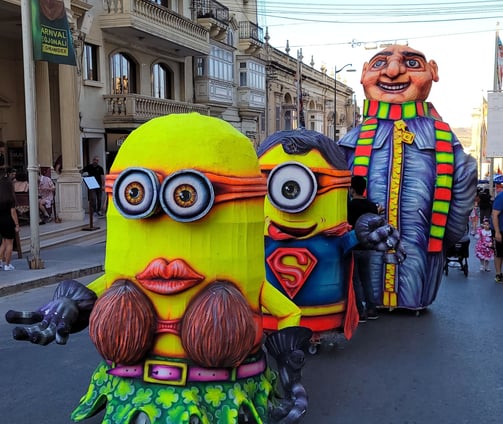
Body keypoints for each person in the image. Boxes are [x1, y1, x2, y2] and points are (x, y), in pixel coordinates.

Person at [338, 44, 477, 310]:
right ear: (364, 73)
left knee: (415, 276)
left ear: (433, 71)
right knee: (368, 276)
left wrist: (449, 233)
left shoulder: (442, 137)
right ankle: (369, 302)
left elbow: (464, 179)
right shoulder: (354, 137)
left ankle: (411, 301)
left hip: (422, 248)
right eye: (379, 64)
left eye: (412, 64)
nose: (392, 71)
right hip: (366, 245)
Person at [347, 175, 381, 322]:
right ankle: (372, 309)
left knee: (355, 281)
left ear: (352, 189)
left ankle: (360, 312)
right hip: (367, 246)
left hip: (353, 246)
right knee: (366, 278)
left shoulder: (349, 206)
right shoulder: (371, 206)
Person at [0, 176, 20, 271]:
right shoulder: (10, 198)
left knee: (3, 242)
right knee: (9, 244)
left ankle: (0, 261)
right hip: (8, 221)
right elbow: (13, 212)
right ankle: (7, 264)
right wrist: (16, 225)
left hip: (0, 220)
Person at [492, 182, 503, 283]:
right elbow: (494, 215)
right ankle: (498, 274)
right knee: (499, 253)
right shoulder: (501, 197)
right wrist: (497, 232)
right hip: (500, 230)